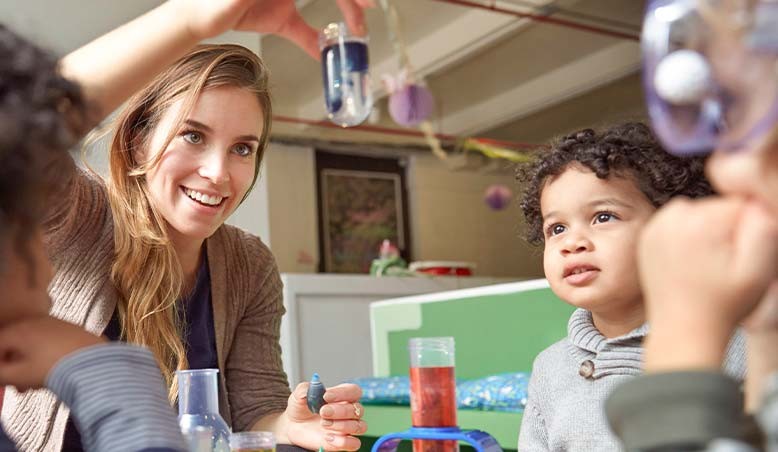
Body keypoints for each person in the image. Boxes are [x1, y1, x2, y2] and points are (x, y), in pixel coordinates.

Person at [0, 1, 374, 450]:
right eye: (193, 136)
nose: (218, 172)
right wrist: (190, 17)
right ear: (138, 142)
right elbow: (20, 131)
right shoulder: (82, 214)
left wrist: (288, 425)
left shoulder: (249, 263)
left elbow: (255, 410)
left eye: (242, 149)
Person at [0, 23, 186, 452]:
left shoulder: (247, 257)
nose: (48, 262)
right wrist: (99, 368)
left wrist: (197, 18)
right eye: (29, 226)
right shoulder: (86, 209)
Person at [604, 1, 778, 450]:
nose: (728, 173)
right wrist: (767, 331)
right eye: (732, 117)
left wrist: (683, 341)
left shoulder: (709, 332)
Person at [515, 122, 746, 451]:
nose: (572, 242)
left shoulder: (733, 346)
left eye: (603, 217)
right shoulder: (550, 368)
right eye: (557, 228)